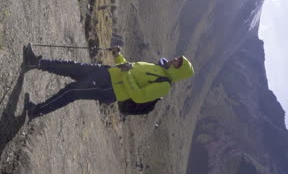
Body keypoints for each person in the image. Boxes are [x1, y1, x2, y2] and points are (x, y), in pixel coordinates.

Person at [23, 43, 194, 120]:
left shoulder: (164, 86)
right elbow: (128, 68)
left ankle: (36, 111)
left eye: (178, 63)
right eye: (177, 58)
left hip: (109, 89)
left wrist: (126, 74)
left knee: (72, 91)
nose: (174, 60)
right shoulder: (158, 68)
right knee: (71, 67)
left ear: (179, 71)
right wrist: (117, 55)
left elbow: (140, 96)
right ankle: (36, 63)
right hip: (107, 73)